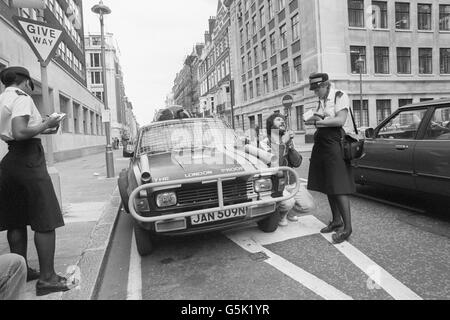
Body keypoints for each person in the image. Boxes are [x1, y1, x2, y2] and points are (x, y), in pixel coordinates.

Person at [0, 66, 72, 296]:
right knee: (45, 219)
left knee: (15, 221)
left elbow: (27, 129)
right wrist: (46, 124)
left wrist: (49, 124)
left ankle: (22, 271)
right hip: (29, 159)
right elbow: (21, 132)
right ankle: (47, 279)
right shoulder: (22, 98)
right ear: (26, 82)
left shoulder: (3, 99)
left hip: (10, 162)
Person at [306, 73, 355, 244]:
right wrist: (314, 118)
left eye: (317, 88)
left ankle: (347, 228)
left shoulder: (339, 96)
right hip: (322, 145)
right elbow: (323, 117)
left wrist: (320, 122)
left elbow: (340, 120)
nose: (315, 92)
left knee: (339, 186)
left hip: (334, 143)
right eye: (314, 89)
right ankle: (336, 221)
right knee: (329, 184)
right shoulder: (322, 100)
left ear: (325, 85)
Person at [261, 113, 315, 227]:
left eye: (283, 120)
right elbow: (274, 165)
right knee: (288, 203)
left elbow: (297, 162)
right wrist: (282, 143)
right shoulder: (264, 142)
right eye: (278, 119)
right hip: (277, 185)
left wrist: (290, 146)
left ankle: (289, 213)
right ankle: (280, 215)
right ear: (271, 125)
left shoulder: (288, 140)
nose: (282, 122)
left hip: (292, 182)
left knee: (308, 205)